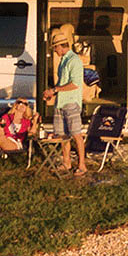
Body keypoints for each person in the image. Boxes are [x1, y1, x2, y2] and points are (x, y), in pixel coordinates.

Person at [42, 25, 88, 176]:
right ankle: (66, 162)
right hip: (60, 103)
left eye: (55, 47)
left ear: (61, 47)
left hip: (71, 103)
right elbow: (63, 84)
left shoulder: (74, 61)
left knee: (76, 134)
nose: (54, 50)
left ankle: (82, 165)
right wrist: (52, 94)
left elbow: (75, 84)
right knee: (62, 136)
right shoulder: (63, 61)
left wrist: (55, 90)